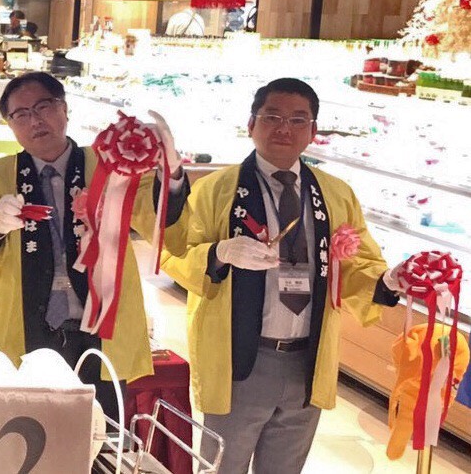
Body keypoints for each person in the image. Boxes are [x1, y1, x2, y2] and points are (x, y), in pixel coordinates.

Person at [162, 78, 410, 474]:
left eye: (298, 120)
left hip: (307, 359)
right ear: (251, 124)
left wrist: (387, 282)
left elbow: (356, 265)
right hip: (241, 359)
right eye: (272, 117)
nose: (284, 129)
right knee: (222, 465)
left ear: (313, 131)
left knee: (286, 467)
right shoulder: (216, 190)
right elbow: (174, 252)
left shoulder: (335, 194)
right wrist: (218, 252)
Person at [0, 72, 187, 418]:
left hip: (104, 328)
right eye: (21, 114)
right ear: (9, 124)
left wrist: (169, 176)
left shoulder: (110, 164)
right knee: (30, 433)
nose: (35, 121)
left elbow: (155, 217)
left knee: (104, 433)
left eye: (43, 107)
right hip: (28, 326)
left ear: (64, 109)